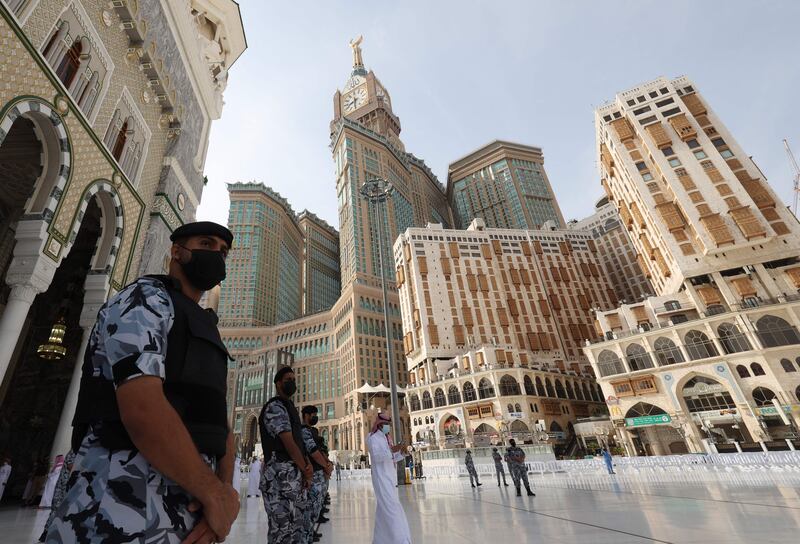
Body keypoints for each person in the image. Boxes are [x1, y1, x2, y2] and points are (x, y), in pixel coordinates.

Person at [45, 221, 240, 543]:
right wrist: (213, 493)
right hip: (116, 500)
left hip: (185, 510)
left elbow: (219, 420)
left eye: (223, 252)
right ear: (178, 252)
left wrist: (223, 494)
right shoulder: (144, 300)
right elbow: (141, 407)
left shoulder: (204, 324)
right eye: (206, 244)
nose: (217, 255)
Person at [259, 366, 312, 543]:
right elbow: (288, 443)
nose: (292, 383)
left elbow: (298, 442)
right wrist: (305, 468)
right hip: (278, 480)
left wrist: (306, 464)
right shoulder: (275, 407)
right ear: (278, 383)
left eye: (294, 380)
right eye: (288, 380)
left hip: (293, 479)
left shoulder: (289, 408)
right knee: (281, 531)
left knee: (295, 529)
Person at [367, 412, 412, 544]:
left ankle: (380, 540)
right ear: (380, 424)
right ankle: (401, 540)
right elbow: (377, 457)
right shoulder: (372, 438)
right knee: (392, 509)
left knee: (384, 511)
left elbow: (391, 458)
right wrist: (392, 450)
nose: (388, 427)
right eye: (386, 424)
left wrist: (402, 453)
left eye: (389, 424)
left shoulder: (387, 438)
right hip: (381, 479)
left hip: (390, 479)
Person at [301, 405, 333, 543]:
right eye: (312, 414)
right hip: (312, 473)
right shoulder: (303, 431)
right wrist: (326, 466)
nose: (315, 417)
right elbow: (313, 452)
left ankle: (309, 533)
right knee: (311, 507)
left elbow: (319, 451)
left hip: (319, 472)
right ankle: (306, 536)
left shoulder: (312, 431)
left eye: (315, 414)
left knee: (316, 505)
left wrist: (327, 464)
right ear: (306, 416)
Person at [39, 451, 77, 541]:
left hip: (68, 487)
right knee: (56, 511)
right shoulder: (73, 452)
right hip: (63, 488)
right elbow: (71, 467)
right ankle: (46, 533)